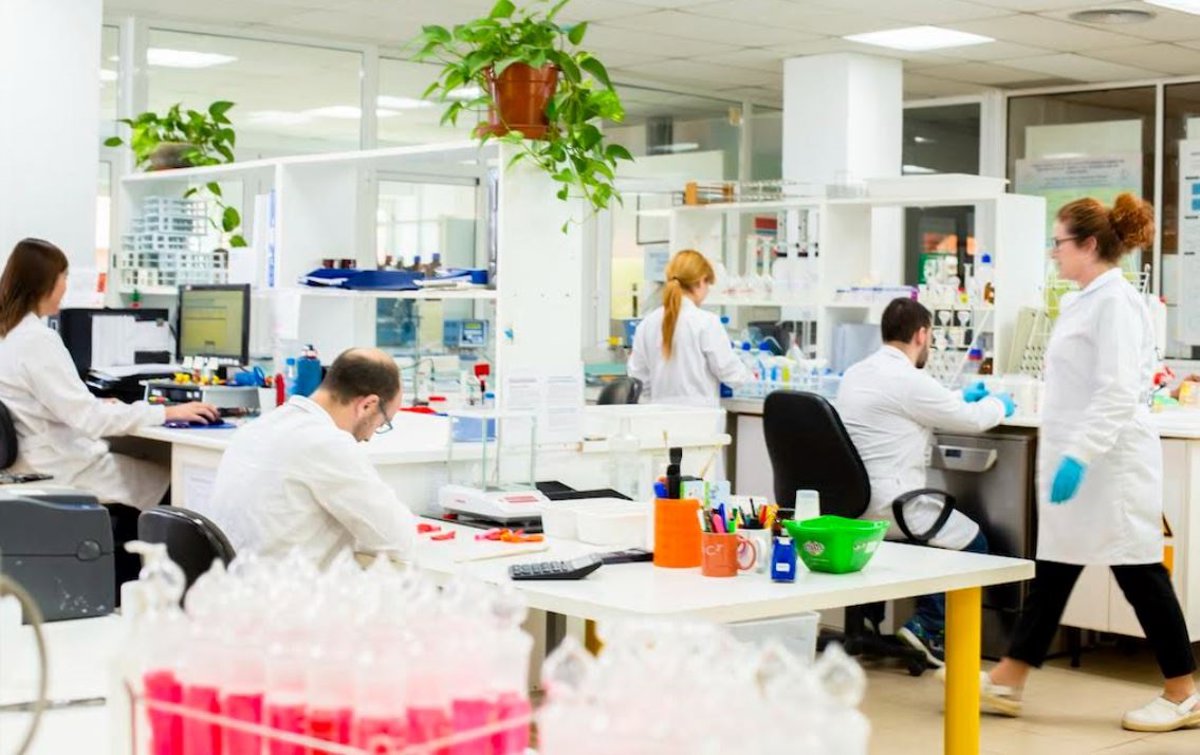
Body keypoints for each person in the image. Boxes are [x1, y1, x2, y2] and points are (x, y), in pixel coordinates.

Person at [980, 194, 1200, 732]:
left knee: (1140, 572)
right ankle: (1009, 678)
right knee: (1055, 569)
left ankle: (1183, 693)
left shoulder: (1116, 303)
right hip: (1082, 463)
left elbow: (1117, 391)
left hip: (1111, 465)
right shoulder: (1085, 300)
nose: (1053, 252)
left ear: (1089, 244)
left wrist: (1079, 455)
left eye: (1059, 242)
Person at [836, 297, 1015, 666]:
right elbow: (970, 419)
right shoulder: (909, 380)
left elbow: (917, 403)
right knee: (974, 542)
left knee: (908, 539)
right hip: (894, 506)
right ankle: (927, 627)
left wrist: (958, 396)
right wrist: (1000, 405)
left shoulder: (856, 373)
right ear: (921, 335)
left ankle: (867, 619)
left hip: (852, 506)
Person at [0, 238, 216, 507]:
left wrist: (98, 405)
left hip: (27, 466)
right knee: (174, 480)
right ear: (46, 283)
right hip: (60, 471)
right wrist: (168, 412)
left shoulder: (9, 336)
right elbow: (89, 419)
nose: (66, 285)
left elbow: (53, 405)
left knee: (149, 465)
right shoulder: (37, 340)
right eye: (64, 277)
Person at [198, 347, 416, 567]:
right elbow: (398, 540)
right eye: (382, 423)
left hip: (234, 582)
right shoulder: (327, 443)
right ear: (368, 405)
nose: (369, 437)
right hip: (281, 586)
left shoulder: (259, 427)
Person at [627, 249, 749, 408]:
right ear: (701, 281)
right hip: (700, 417)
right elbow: (731, 374)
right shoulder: (707, 322)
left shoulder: (646, 324)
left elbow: (638, 378)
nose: (707, 290)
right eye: (708, 284)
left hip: (658, 417)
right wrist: (750, 376)